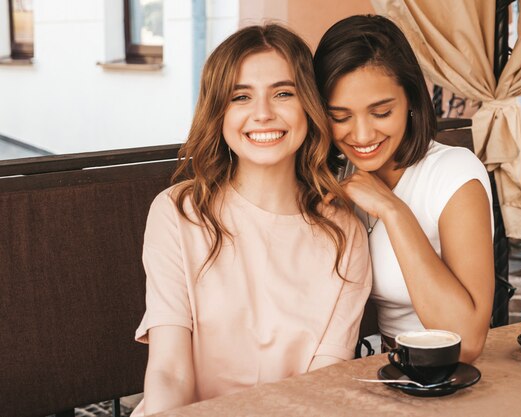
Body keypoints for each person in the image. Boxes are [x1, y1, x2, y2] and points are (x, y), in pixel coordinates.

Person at [131, 24, 372, 416]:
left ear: (308, 105)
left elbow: (324, 384)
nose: (262, 114)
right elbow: (170, 372)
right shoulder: (178, 211)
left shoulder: (345, 233)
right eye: (240, 96)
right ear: (219, 113)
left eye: (282, 93)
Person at [313, 14, 494, 363]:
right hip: (378, 369)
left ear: (411, 100)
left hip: (443, 376)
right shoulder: (330, 176)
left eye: (381, 112)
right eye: (340, 117)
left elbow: (468, 341)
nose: (362, 135)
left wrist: (393, 211)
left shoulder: (454, 173)